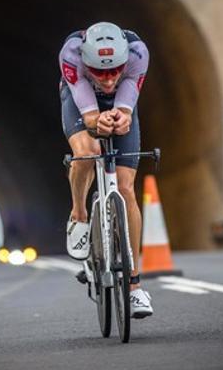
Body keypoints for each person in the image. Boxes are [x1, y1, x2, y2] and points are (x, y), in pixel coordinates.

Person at [59, 21, 153, 318]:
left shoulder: (138, 54)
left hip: (120, 104)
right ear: (87, 61)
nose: (109, 78)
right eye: (100, 70)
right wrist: (94, 119)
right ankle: (79, 214)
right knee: (88, 152)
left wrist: (122, 115)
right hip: (80, 98)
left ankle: (134, 285)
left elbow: (125, 103)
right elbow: (88, 112)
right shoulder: (71, 54)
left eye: (115, 70)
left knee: (125, 189)